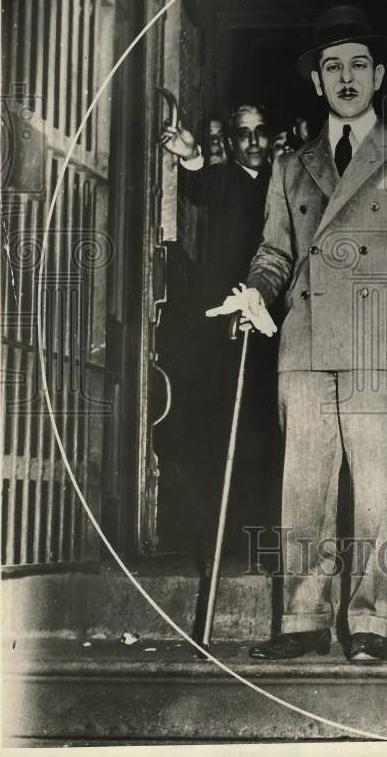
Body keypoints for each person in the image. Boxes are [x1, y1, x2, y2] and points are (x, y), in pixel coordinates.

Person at [207, 6, 387, 662]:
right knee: (304, 492)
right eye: (331, 66)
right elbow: (274, 253)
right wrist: (255, 293)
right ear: (317, 83)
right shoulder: (290, 166)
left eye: (356, 64)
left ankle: (370, 623)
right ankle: (302, 622)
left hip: (381, 344)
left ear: (376, 75)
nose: (345, 77)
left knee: (375, 493)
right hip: (306, 342)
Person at [159, 103, 281, 564]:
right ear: (230, 144)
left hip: (269, 327)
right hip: (223, 327)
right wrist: (190, 155)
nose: (253, 142)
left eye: (261, 132)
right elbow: (198, 184)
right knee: (219, 428)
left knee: (264, 431)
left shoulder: (283, 183)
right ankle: (221, 542)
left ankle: (262, 540)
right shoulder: (226, 179)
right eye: (243, 134)